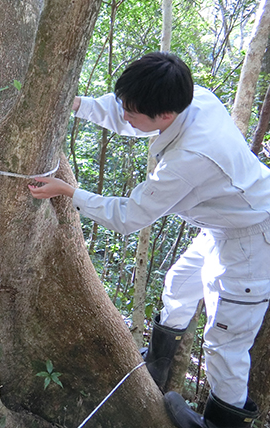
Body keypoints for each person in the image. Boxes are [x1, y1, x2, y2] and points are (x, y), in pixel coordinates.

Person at [29, 52, 270, 428]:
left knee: (226, 342)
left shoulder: (193, 155)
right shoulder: (190, 98)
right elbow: (130, 113)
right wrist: (76, 104)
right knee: (178, 285)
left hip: (253, 241)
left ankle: (221, 424)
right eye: (124, 103)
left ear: (166, 115)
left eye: (132, 110)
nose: (124, 114)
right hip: (226, 224)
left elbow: (130, 216)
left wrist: (68, 191)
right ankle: (156, 366)